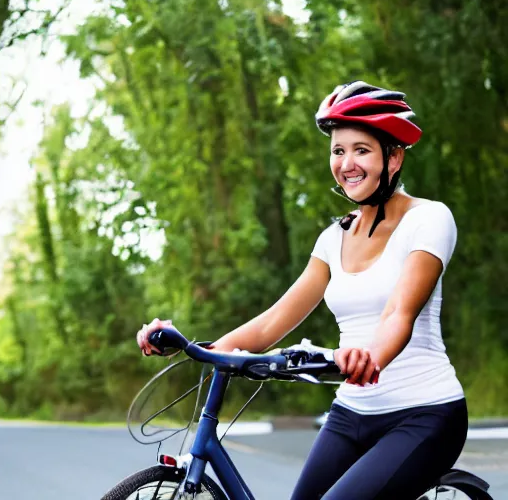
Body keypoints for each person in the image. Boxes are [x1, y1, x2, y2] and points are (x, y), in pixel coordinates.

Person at [137, 81, 467, 500]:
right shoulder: (334, 237)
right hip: (351, 414)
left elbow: (399, 314)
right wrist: (190, 344)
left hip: (424, 415)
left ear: (395, 155)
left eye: (361, 150)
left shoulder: (430, 219)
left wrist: (370, 357)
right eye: (338, 150)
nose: (346, 162)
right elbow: (274, 320)